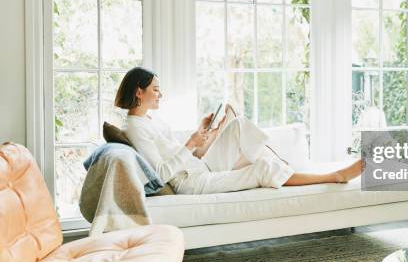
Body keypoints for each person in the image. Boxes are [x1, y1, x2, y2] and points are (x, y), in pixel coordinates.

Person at [115, 67, 364, 195]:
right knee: (264, 167)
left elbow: (188, 154)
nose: (161, 94)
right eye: (156, 89)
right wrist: (190, 144)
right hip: (192, 182)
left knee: (238, 124)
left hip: (199, 167)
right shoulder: (135, 128)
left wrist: (204, 133)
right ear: (139, 91)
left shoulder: (150, 120)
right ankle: (334, 176)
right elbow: (159, 175)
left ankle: (278, 167)